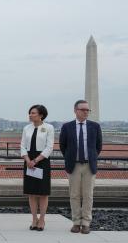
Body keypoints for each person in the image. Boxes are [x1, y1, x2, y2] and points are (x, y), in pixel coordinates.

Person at [59, 100, 102, 234]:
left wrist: (91, 157)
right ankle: (76, 222)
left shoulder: (95, 126)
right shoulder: (67, 127)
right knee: (74, 195)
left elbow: (98, 147)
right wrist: (70, 158)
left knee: (88, 195)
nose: (85, 112)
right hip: (74, 165)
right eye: (83, 109)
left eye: (87, 110)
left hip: (89, 166)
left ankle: (86, 223)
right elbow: (63, 145)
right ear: (75, 111)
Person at [20, 105, 54, 231]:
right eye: (30, 113)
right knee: (32, 192)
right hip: (29, 161)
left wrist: (36, 160)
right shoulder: (26, 128)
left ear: (41, 115)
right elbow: (22, 145)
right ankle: (34, 219)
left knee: (43, 193)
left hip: (42, 161)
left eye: (33, 113)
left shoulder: (49, 128)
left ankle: (42, 219)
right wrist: (28, 160)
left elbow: (49, 147)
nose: (30, 115)